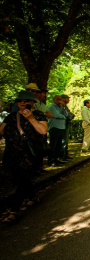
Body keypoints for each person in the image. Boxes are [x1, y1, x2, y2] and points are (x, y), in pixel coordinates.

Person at [0, 91, 48, 224]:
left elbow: (43, 131)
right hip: (12, 153)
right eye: (20, 100)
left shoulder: (38, 115)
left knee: (22, 179)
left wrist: (31, 119)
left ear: (32, 102)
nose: (22, 103)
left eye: (26, 100)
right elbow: (1, 131)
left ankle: (14, 211)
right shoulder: (10, 117)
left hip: (29, 153)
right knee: (21, 179)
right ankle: (33, 197)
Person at [47, 95, 66, 167]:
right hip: (54, 128)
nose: (59, 101)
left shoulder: (60, 107)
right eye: (57, 99)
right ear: (54, 99)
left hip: (61, 128)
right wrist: (63, 117)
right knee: (53, 145)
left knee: (59, 145)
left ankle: (56, 159)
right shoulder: (52, 107)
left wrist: (63, 107)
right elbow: (56, 115)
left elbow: (65, 114)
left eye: (60, 99)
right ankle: (51, 160)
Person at [60, 94, 75, 161]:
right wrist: (70, 116)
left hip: (67, 124)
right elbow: (67, 115)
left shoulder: (66, 107)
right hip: (63, 125)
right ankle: (62, 155)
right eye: (67, 98)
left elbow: (71, 115)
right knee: (63, 140)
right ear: (63, 99)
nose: (69, 100)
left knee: (66, 140)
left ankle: (65, 154)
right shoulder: (61, 107)